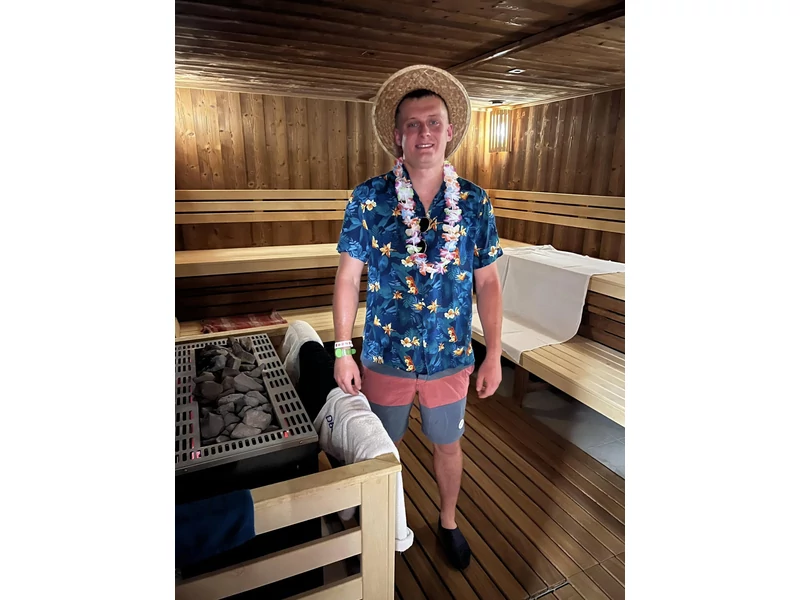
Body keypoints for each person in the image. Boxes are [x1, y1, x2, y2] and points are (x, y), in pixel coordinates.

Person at [332, 64, 504, 570]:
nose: (423, 133)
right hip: (384, 354)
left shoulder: (474, 201)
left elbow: (488, 282)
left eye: (433, 123)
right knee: (380, 450)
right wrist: (342, 349)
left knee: (448, 445)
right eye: (413, 124)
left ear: (450, 132)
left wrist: (494, 354)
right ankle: (372, 527)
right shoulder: (368, 197)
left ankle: (448, 521)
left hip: (450, 354)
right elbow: (348, 278)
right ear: (397, 135)